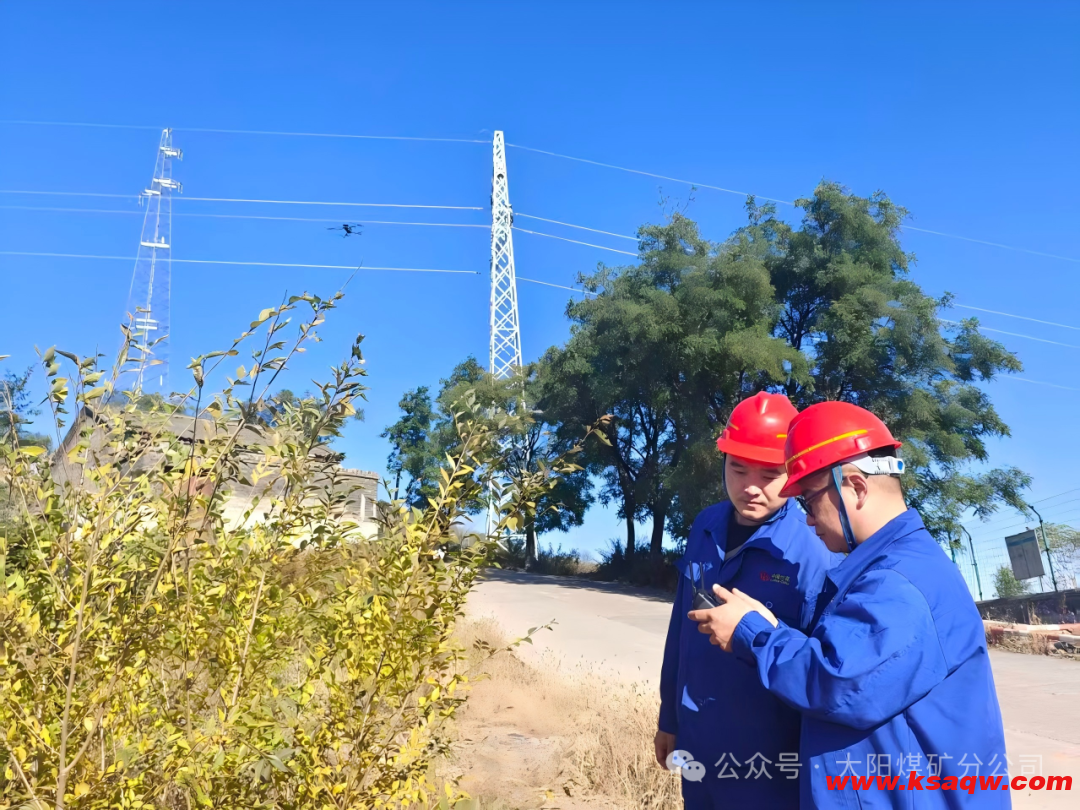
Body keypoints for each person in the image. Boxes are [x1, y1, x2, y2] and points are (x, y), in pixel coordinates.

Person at [689, 401, 1009, 809]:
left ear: (855, 487)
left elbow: (837, 683)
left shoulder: (899, 582)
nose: (806, 519)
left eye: (808, 501)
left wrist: (752, 633)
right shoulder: (883, 569)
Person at [655, 392, 841, 808]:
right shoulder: (705, 527)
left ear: (794, 473)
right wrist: (670, 716)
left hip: (767, 762)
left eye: (770, 474)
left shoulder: (811, 550)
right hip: (699, 744)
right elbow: (680, 633)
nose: (751, 487)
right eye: (738, 469)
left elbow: (820, 668)